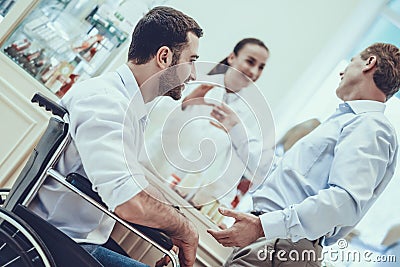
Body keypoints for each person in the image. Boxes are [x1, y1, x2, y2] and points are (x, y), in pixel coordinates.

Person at [29, 6, 203, 267]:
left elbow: (135, 182)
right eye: (191, 61)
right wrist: (184, 230)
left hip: (79, 237)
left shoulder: (123, 103)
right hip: (54, 239)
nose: (193, 74)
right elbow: (129, 202)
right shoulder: (105, 102)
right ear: (165, 57)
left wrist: (177, 219)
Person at [207, 42, 400, 266]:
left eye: (352, 61)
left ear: (369, 63)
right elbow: (280, 173)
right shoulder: (349, 122)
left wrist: (262, 226)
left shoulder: (372, 126)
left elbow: (343, 202)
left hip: (281, 246)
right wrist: (236, 129)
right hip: (273, 241)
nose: (342, 71)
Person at [144, 38, 274, 210]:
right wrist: (185, 104)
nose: (254, 71)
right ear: (232, 57)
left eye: (261, 67)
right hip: (154, 170)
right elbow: (153, 114)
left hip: (188, 197)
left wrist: (221, 205)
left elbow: (236, 163)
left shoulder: (249, 114)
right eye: (250, 61)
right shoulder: (196, 81)